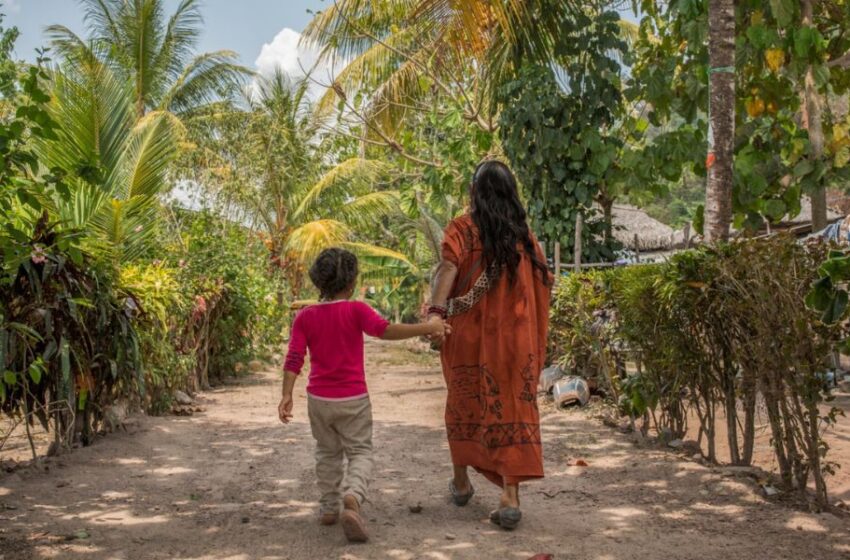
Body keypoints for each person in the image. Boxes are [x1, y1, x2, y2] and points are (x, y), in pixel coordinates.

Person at [278, 248, 449, 544]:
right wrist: (428, 327)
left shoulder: (305, 316)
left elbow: (294, 357)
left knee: (326, 452)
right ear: (352, 282)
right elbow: (385, 331)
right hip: (353, 399)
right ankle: (353, 497)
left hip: (318, 400)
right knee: (359, 452)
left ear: (318, 281)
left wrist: (286, 395)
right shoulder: (356, 310)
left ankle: (329, 507)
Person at [426, 160, 552, 531]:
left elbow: (447, 269)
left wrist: (435, 313)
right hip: (515, 341)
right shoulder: (525, 237)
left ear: (474, 192)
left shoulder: (462, 229)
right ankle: (509, 497)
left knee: (463, 403)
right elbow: (544, 285)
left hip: (467, 338)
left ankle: (462, 483)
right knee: (511, 406)